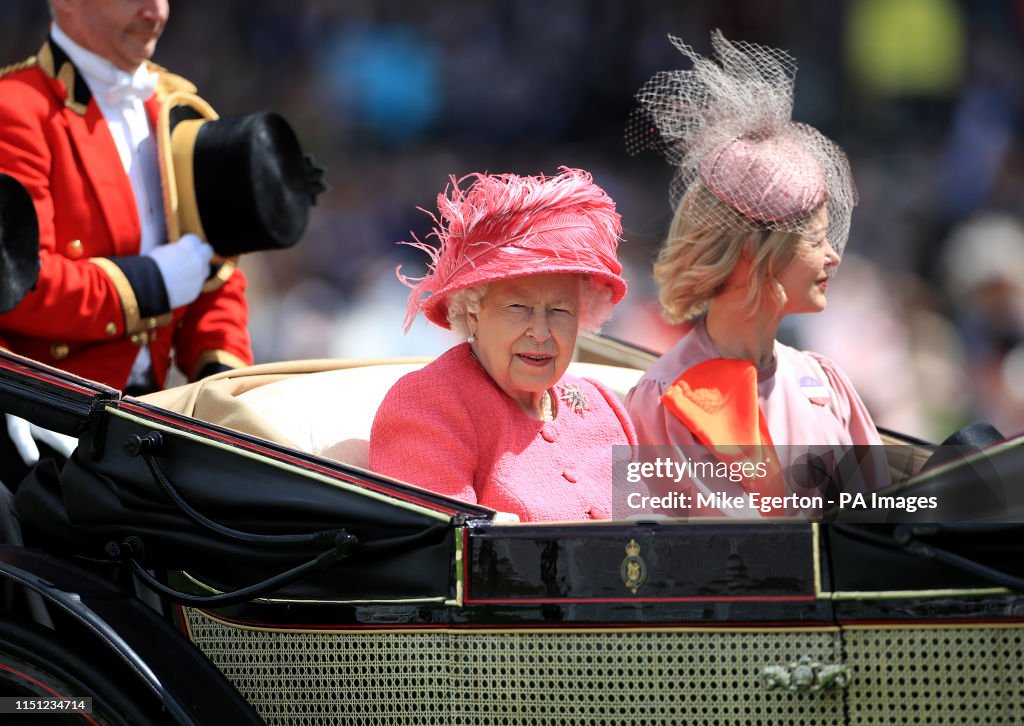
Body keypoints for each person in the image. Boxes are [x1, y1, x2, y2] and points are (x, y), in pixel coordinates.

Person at [623, 33, 883, 514]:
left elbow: (884, 528)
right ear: (750, 251)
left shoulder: (825, 383)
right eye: (814, 239)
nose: (834, 257)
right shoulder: (663, 399)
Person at [0, 0, 251, 393]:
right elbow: (21, 283)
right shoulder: (14, 109)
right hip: (47, 409)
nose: (157, 12)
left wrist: (220, 380)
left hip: (147, 415)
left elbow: (214, 274)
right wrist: (152, 284)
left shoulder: (177, 107)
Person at [368, 168, 637, 522]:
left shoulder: (604, 407)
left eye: (559, 310)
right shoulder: (427, 404)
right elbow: (442, 556)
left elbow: (652, 545)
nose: (540, 332)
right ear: (473, 311)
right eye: (518, 308)